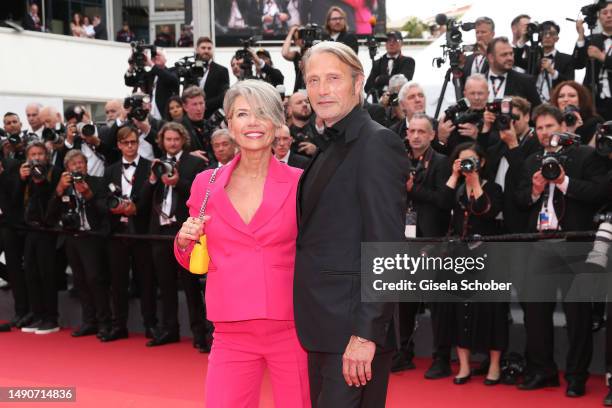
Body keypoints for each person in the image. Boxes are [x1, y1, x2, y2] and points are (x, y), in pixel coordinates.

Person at [174, 79, 310, 407]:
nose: (251, 122)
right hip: (230, 330)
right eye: (242, 114)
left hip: (292, 330)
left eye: (261, 113)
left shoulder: (301, 182)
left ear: (278, 123)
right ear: (230, 123)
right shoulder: (206, 184)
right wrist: (182, 240)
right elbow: (191, 256)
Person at [294, 41, 408, 407]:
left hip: (352, 331)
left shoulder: (376, 143)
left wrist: (366, 334)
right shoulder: (330, 145)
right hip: (324, 329)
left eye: (332, 78)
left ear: (358, 83)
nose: (322, 89)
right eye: (313, 80)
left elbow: (386, 247)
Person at [515, 104, 607, 397]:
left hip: (574, 244)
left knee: (578, 315)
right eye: (539, 127)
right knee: (535, 313)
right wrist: (534, 189)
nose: (544, 133)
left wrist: (563, 182)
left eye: (549, 127)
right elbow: (518, 199)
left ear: (563, 127)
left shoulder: (585, 156)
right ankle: (542, 370)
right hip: (540, 244)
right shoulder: (531, 160)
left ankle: (577, 375)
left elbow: (599, 193)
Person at [140, 122, 209, 351]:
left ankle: (200, 334)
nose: (172, 143)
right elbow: (142, 200)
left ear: (183, 140)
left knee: (190, 286)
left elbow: (202, 196)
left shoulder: (195, 163)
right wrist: (152, 179)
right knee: (165, 284)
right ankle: (169, 330)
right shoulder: (156, 164)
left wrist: (178, 182)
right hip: (159, 231)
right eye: (168, 140)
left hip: (185, 232)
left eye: (175, 139)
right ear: (162, 141)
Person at [443, 142, 506, 386]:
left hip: (489, 258)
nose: (468, 165)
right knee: (461, 311)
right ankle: (465, 365)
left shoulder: (495, 189)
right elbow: (441, 203)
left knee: (493, 312)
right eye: (462, 160)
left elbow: (485, 210)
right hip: (460, 258)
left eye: (472, 160)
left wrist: (475, 182)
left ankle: (493, 365)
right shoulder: (456, 188)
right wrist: (454, 175)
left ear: (483, 162)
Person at [102, 127, 155, 341]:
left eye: (134, 142)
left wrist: (136, 208)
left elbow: (153, 199)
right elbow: (104, 197)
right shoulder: (110, 170)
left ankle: (150, 324)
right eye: (126, 143)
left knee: (146, 280)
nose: (130, 146)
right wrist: (114, 208)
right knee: (118, 281)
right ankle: (119, 325)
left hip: (142, 232)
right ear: (119, 145)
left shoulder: (149, 167)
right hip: (118, 232)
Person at [573, 2, 612, 120]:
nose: (609, 16)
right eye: (604, 13)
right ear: (599, 17)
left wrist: (602, 57)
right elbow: (577, 64)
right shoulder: (592, 40)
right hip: (595, 100)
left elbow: (601, 57)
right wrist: (581, 36)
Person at [486, 36, 542, 109]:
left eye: (511, 54)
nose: (510, 58)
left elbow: (537, 112)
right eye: (504, 55)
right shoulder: (478, 82)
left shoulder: (526, 81)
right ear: (491, 58)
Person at [365, 31, 416, 103]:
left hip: (399, 104)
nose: (391, 43)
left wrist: (380, 79)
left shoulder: (408, 61)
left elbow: (403, 81)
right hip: (379, 105)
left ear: (401, 43)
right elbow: (367, 87)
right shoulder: (378, 62)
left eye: (395, 41)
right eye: (388, 41)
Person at [550, 80, 604, 145]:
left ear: (581, 99)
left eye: (572, 95)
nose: (566, 99)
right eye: (561, 96)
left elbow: (589, 153)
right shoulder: (551, 124)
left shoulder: (594, 122)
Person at [195, 37, 230, 119]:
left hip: (213, 116)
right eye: (203, 48)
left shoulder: (222, 70)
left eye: (209, 48)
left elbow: (223, 95)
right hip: (191, 116)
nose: (206, 51)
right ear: (197, 49)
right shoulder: (189, 69)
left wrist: (204, 105)